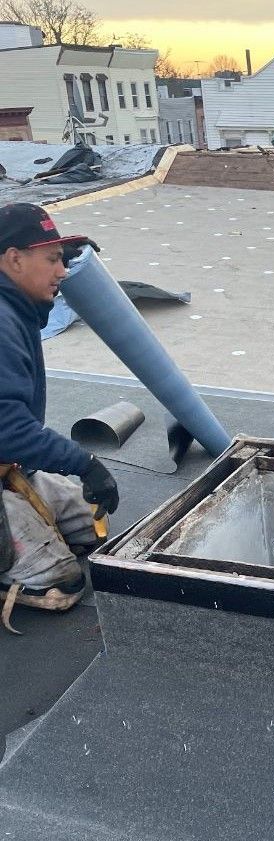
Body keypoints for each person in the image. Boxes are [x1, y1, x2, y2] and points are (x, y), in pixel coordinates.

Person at [0, 202, 119, 628]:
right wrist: (83, 462)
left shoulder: (14, 308)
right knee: (62, 582)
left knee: (92, 529)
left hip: (9, 465)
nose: (63, 271)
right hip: (4, 449)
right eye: (52, 259)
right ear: (14, 258)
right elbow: (6, 428)